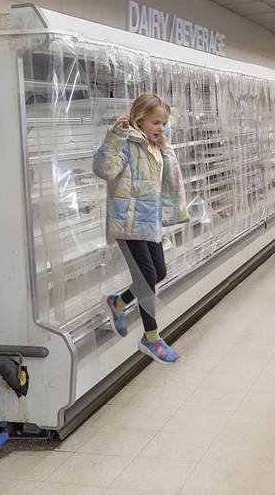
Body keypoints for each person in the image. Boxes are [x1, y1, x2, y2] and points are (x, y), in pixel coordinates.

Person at [92, 94, 189, 364]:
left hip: (150, 221)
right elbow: (104, 169)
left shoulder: (159, 148)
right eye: (155, 122)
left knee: (159, 271)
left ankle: (119, 302)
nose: (160, 127)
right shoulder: (127, 145)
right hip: (128, 223)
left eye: (163, 123)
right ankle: (152, 337)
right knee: (147, 275)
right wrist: (114, 138)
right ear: (139, 120)